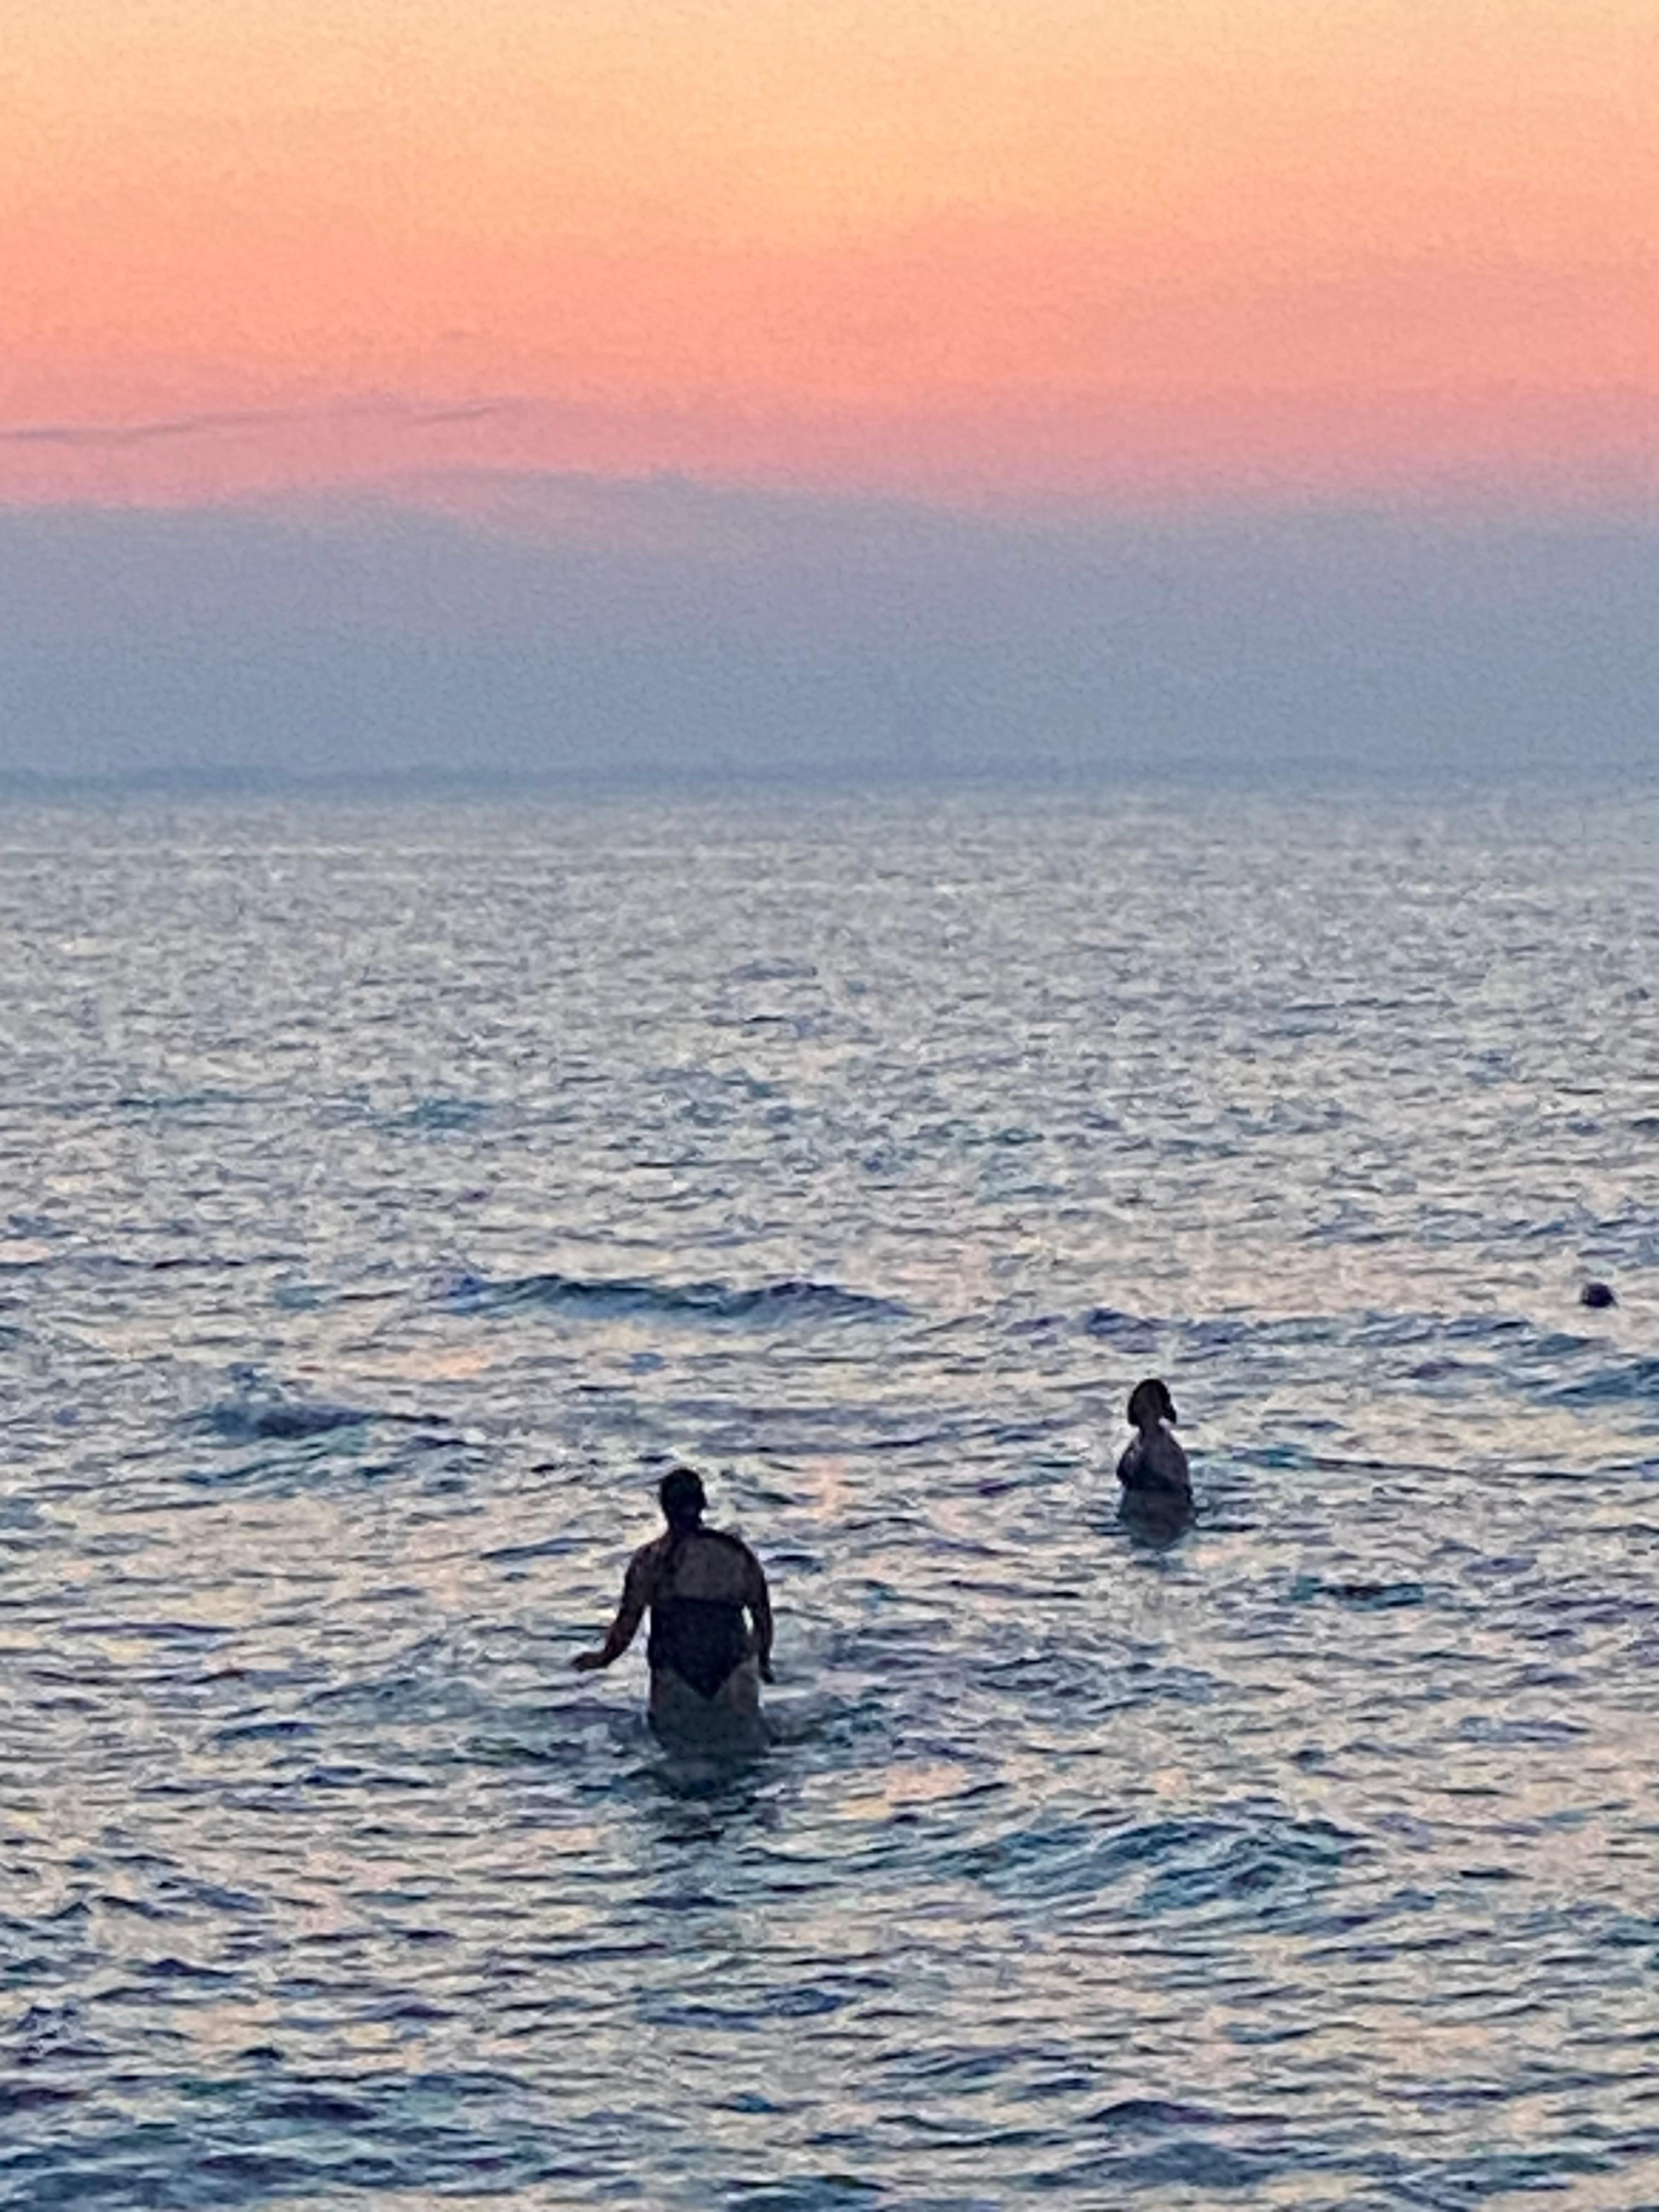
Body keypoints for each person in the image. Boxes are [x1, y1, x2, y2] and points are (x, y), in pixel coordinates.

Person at [572, 1466, 774, 1736]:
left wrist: (601, 1659)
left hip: (677, 1678)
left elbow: (626, 1628)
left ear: (665, 1508)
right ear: (703, 1504)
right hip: (733, 1674)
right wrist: (762, 1662)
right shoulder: (736, 1554)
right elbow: (763, 1620)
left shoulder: (651, 1561)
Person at [1116, 1378, 1191, 1507]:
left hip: (1163, 1512)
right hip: (1138, 1508)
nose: (1143, 1409)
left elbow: (1181, 1487)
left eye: (1149, 1405)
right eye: (1140, 1404)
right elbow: (1121, 1473)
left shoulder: (1169, 1450)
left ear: (1160, 1411)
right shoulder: (1138, 1441)